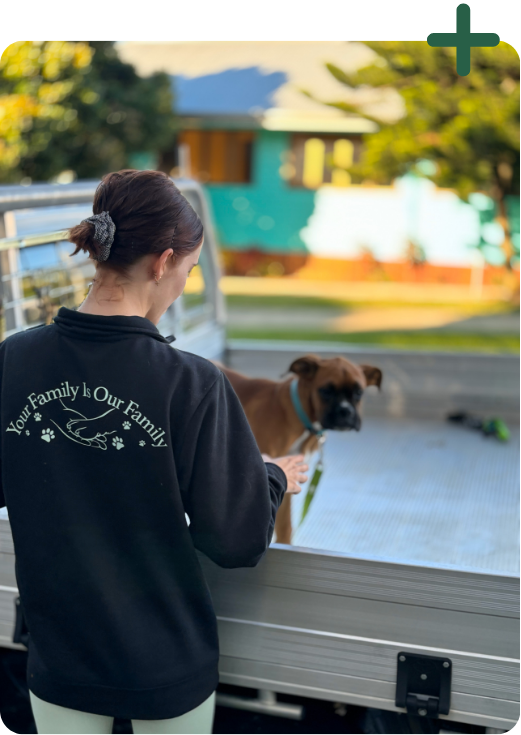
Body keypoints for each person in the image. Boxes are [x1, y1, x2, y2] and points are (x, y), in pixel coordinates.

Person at [0, 169, 308, 735]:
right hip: (165, 663)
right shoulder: (190, 382)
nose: (183, 287)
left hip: (60, 656)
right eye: (189, 272)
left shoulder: (14, 360)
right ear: (163, 262)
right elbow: (235, 538)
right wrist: (267, 476)